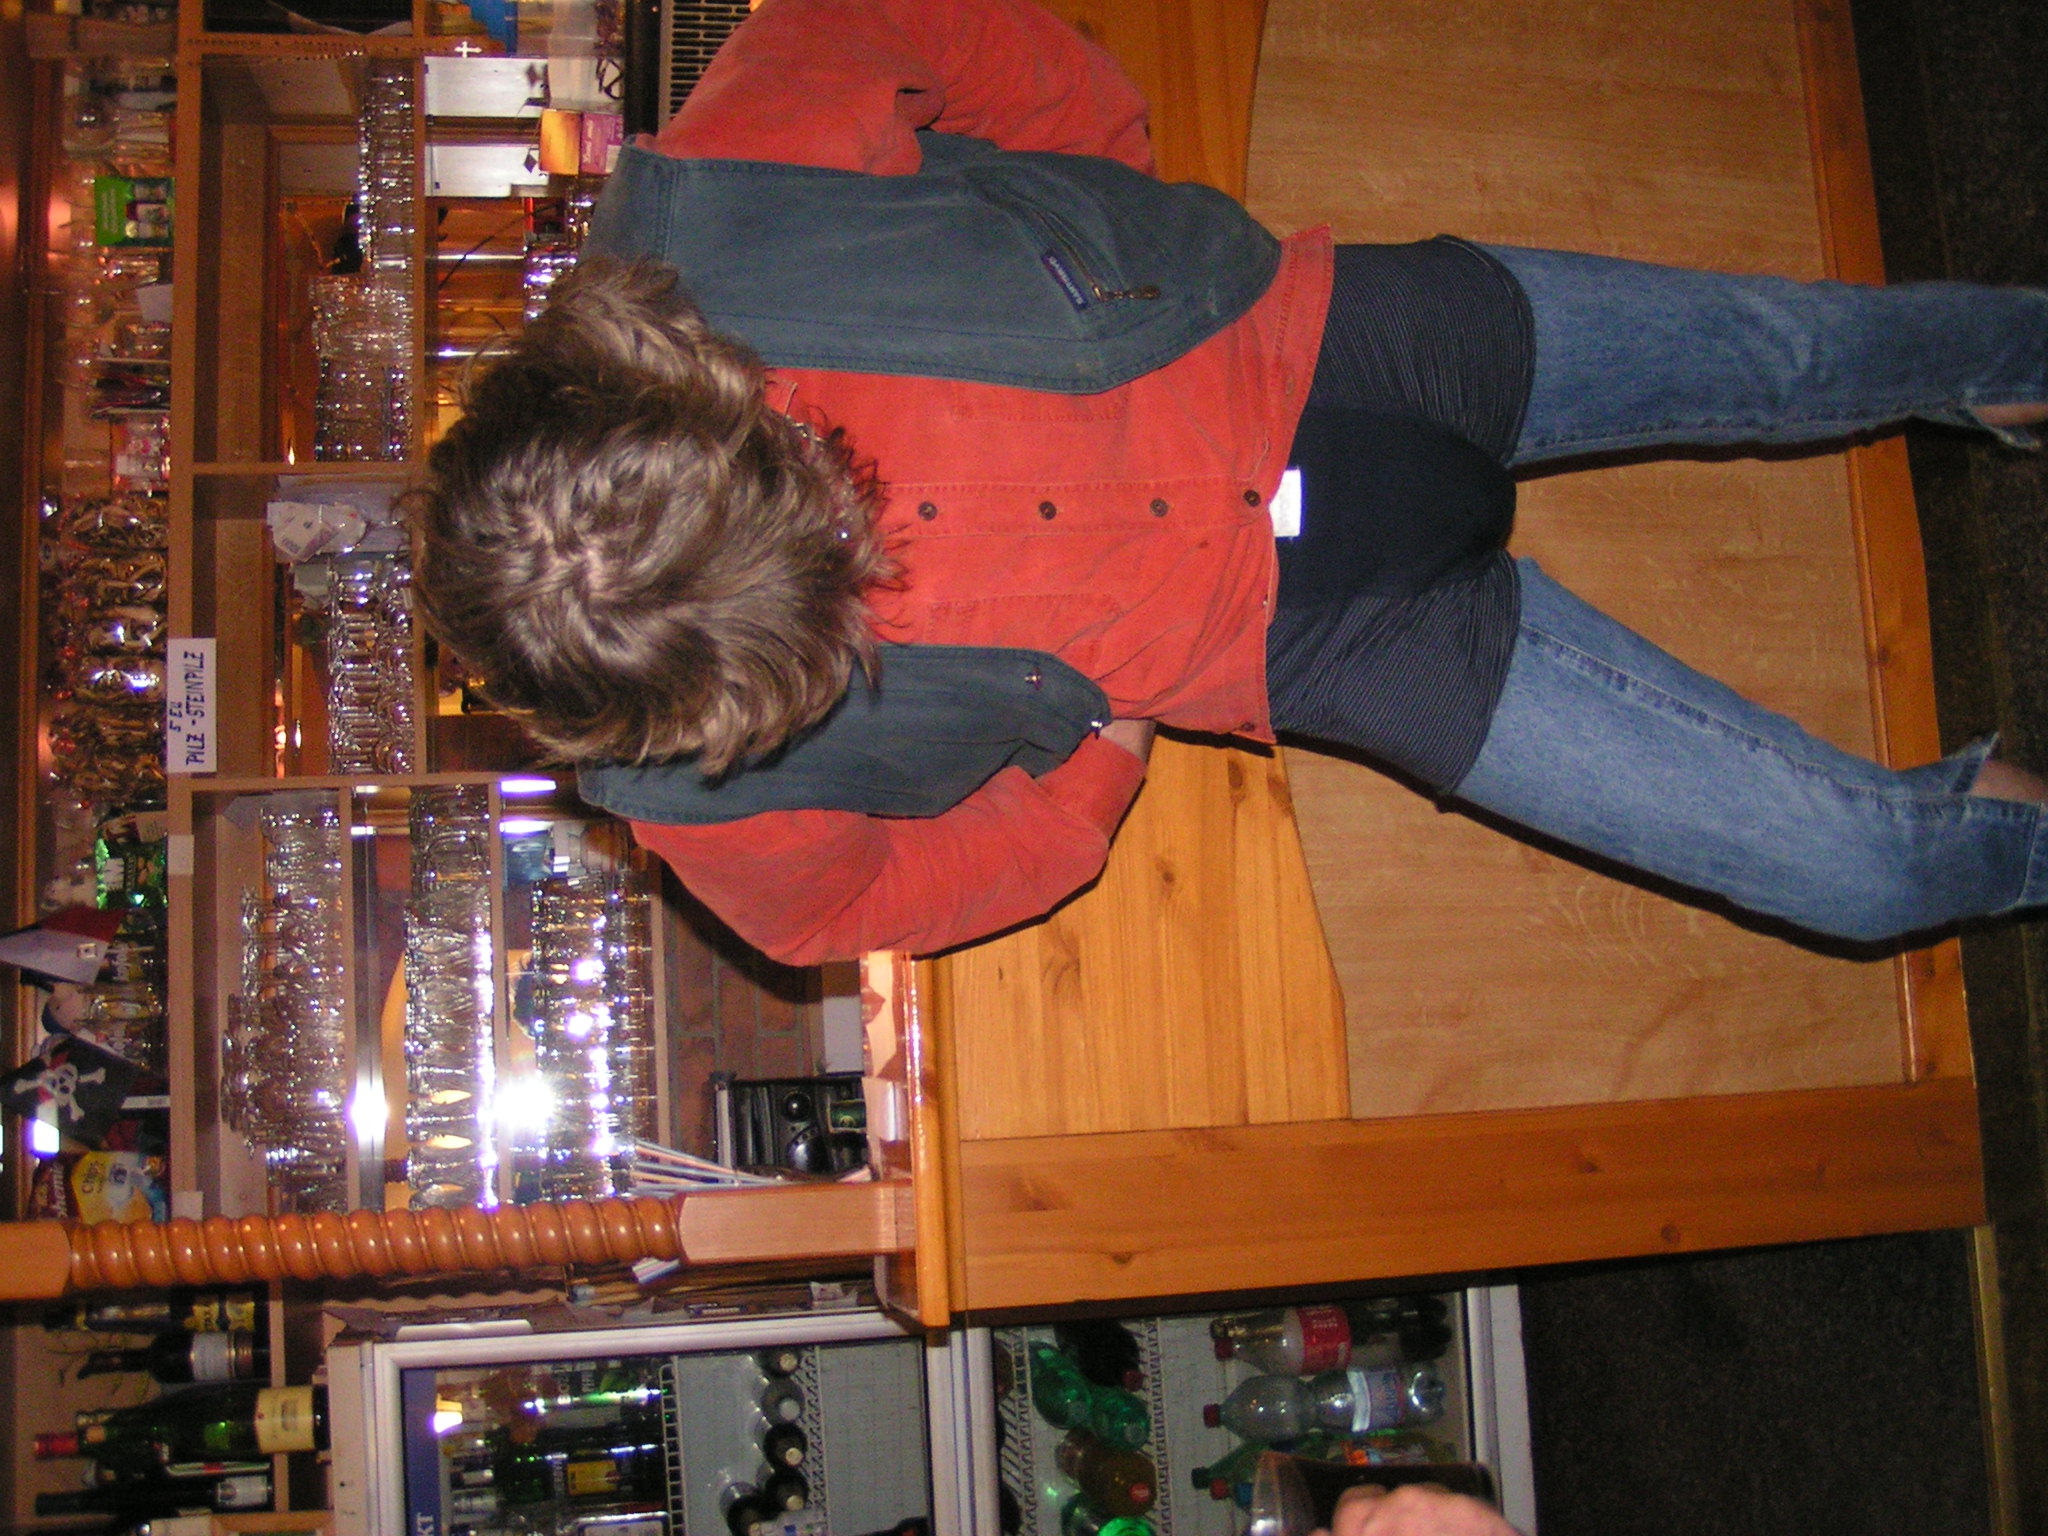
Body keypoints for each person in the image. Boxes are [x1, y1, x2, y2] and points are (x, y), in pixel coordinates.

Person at [410, 0, 2048, 968]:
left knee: (1806, 358)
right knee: (1864, 879)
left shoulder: (717, 203)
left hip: (1329, 343)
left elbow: (897, 29)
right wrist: (1083, 794)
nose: (863, 548)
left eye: (815, 500)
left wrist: (1102, 185)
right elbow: (828, 908)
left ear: (691, 384)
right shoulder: (681, 784)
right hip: (1324, 641)